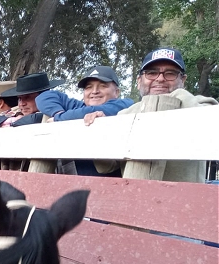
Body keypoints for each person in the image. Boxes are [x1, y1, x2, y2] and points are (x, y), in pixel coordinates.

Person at [85, 48, 218, 182]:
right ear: (139, 81)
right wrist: (100, 131)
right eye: (151, 73)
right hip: (136, 198)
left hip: (185, 200)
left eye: (170, 73)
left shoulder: (200, 103)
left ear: (183, 80)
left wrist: (177, 95)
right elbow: (106, 167)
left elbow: (211, 125)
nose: (160, 79)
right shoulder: (125, 115)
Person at [36, 66, 133, 122]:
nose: (94, 91)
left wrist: (58, 119)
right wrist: (58, 113)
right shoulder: (79, 106)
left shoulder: (125, 105)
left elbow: (91, 110)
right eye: (88, 87)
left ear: (117, 92)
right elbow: (43, 97)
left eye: (103, 86)